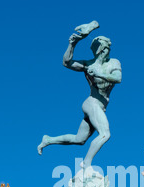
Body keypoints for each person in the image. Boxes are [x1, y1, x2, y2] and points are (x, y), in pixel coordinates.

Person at [37, 23, 122, 168]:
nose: (108, 50)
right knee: (105, 134)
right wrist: (73, 44)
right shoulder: (87, 65)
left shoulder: (113, 63)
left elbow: (118, 78)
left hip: (100, 107)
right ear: (100, 49)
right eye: (106, 47)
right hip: (92, 103)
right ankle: (86, 163)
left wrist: (100, 74)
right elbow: (66, 62)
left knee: (79, 139)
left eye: (109, 47)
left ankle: (48, 140)